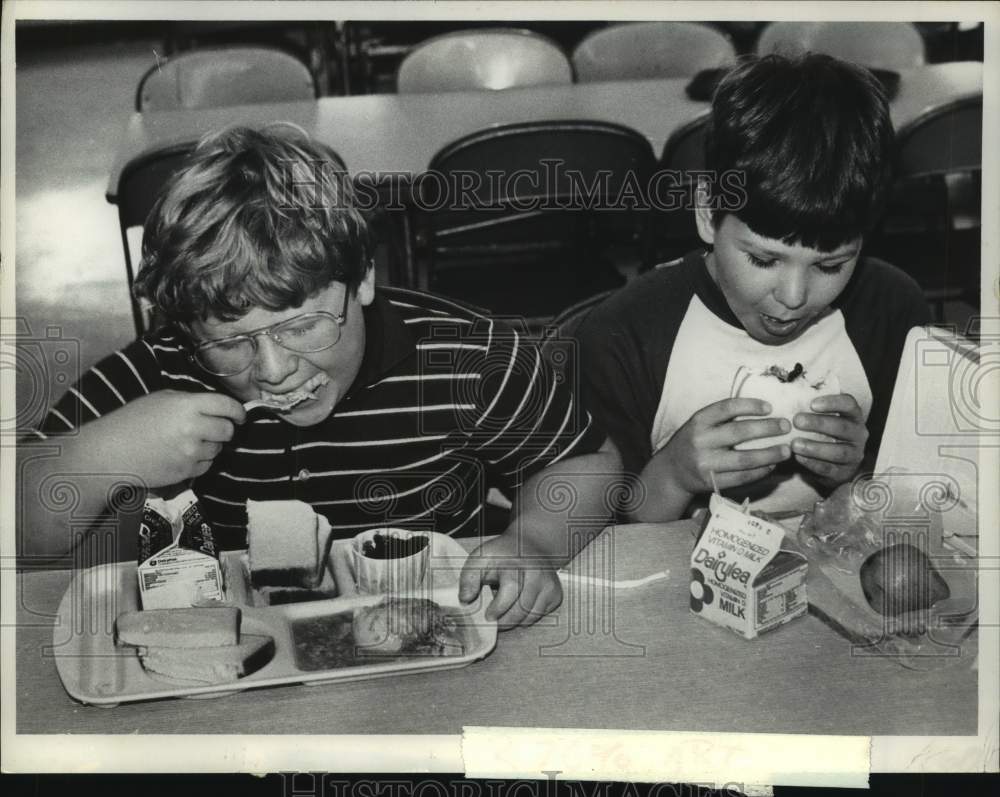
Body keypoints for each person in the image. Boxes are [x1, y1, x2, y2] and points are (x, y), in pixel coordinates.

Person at [20, 125, 622, 629]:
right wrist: (98, 452)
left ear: (361, 278)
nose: (274, 372)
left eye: (303, 327)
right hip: (253, 655)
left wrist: (536, 541)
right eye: (231, 343)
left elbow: (585, 461)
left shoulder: (470, 357)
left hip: (434, 641)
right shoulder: (167, 363)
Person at [577, 53, 931, 522]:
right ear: (707, 212)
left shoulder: (892, 311)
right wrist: (674, 474)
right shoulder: (622, 338)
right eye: (764, 259)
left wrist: (859, 475)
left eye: (831, 265)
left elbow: (928, 500)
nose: (793, 296)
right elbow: (598, 537)